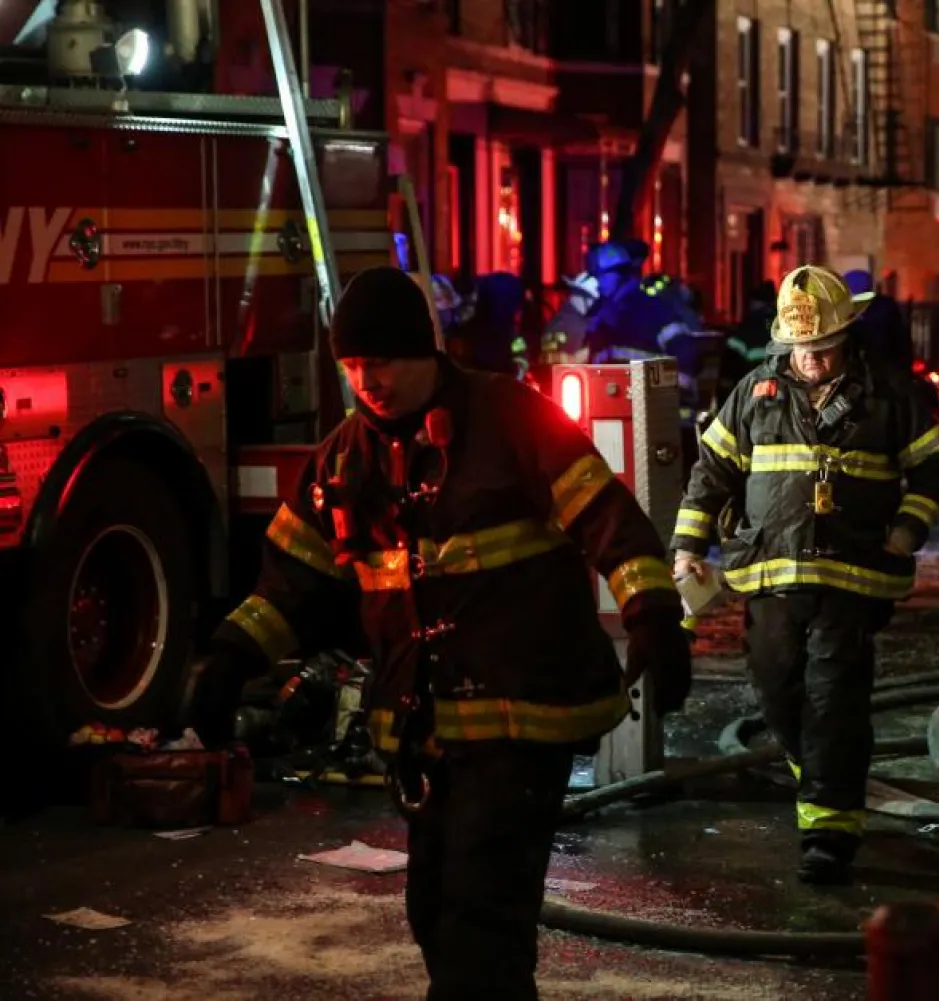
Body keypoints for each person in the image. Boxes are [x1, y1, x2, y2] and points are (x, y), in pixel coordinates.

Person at [186, 266, 693, 999]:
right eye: (353, 365)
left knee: (478, 931)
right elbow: (288, 584)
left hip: (526, 720)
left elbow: (607, 518)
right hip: (423, 736)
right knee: (435, 913)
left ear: (426, 350)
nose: (369, 380)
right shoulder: (340, 461)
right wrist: (229, 656)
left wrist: (652, 613)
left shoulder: (514, 419)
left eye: (383, 361)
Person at [671, 265, 939, 885]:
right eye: (801, 350)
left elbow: (934, 472)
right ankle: (824, 773)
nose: (812, 362)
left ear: (846, 337)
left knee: (834, 696)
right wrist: (688, 546)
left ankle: (828, 833)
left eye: (823, 349)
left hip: (852, 576)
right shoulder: (753, 393)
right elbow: (710, 474)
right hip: (769, 574)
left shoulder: (890, 396)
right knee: (777, 686)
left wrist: (908, 530)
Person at [843, 268, 915, 372]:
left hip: (870, 370)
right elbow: (902, 342)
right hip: (889, 369)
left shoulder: (846, 310)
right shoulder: (887, 305)